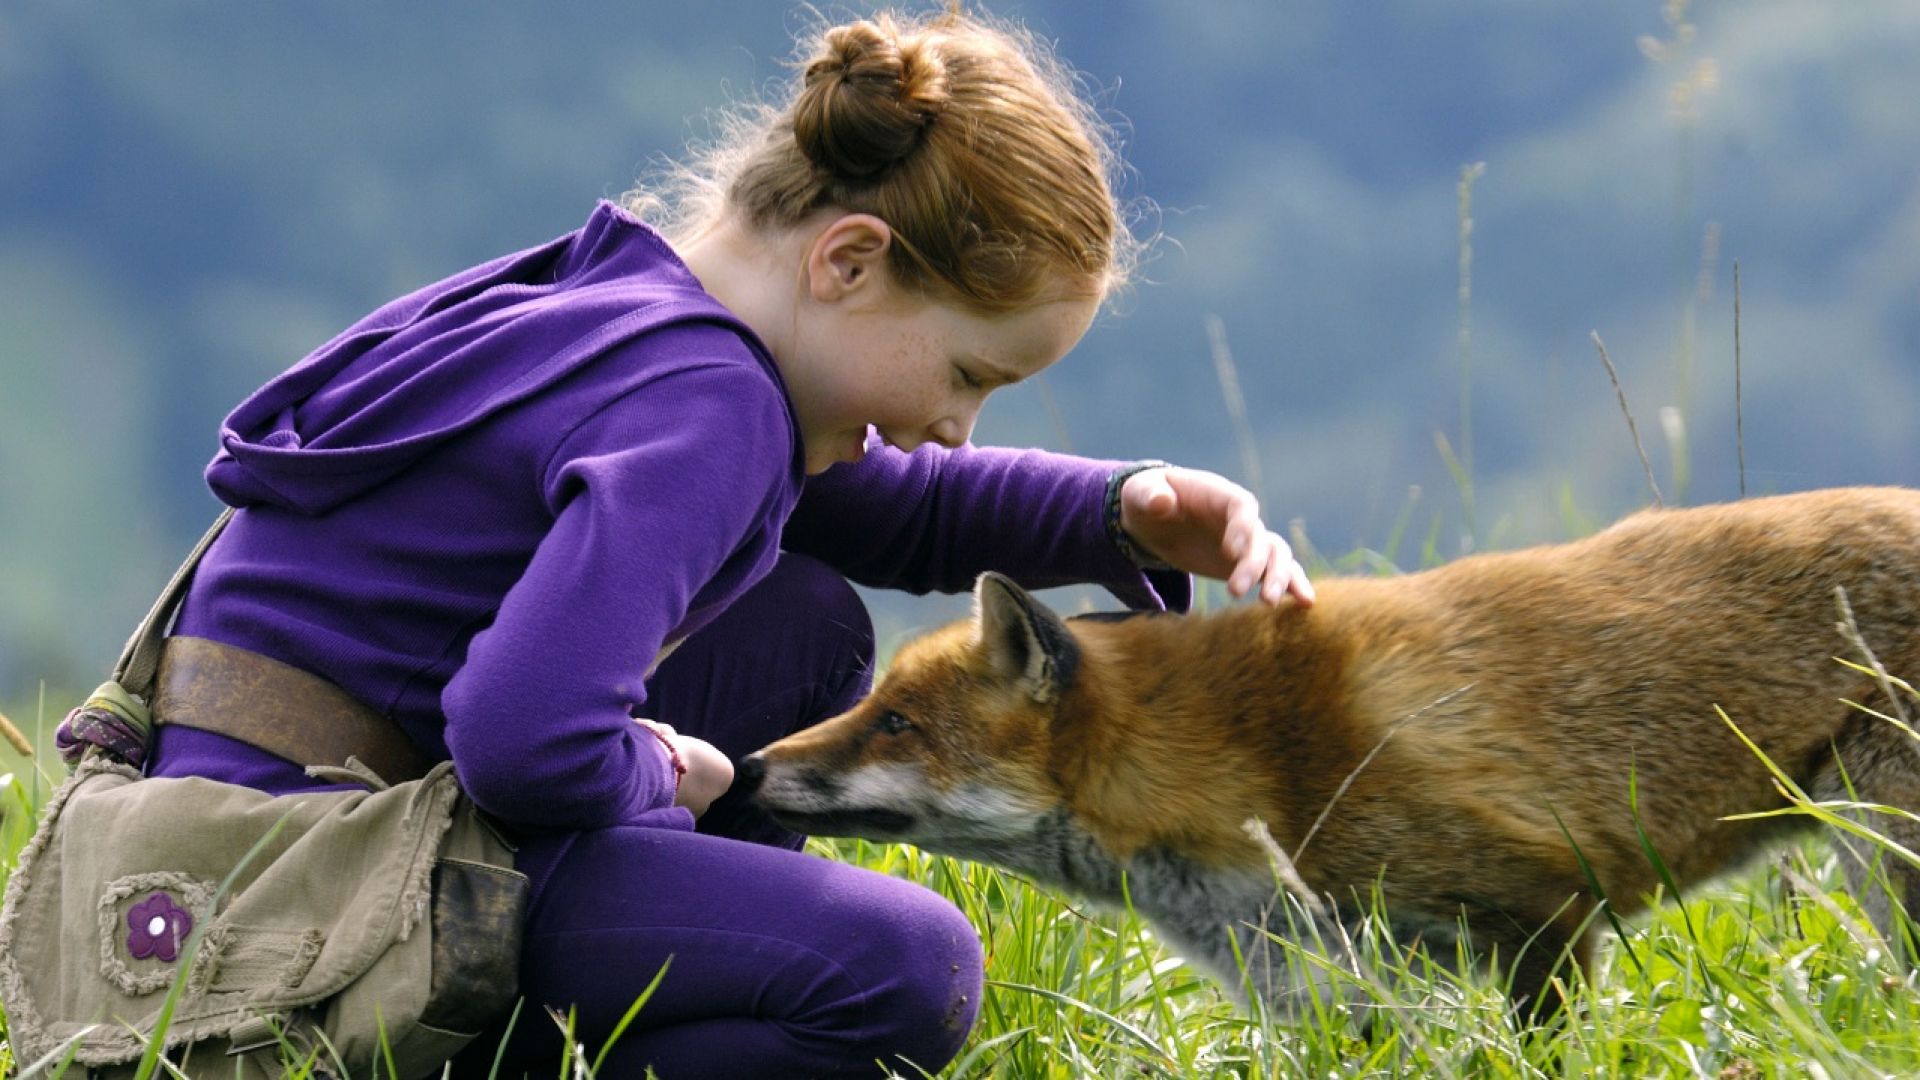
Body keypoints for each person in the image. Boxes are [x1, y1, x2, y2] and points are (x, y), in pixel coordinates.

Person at [147, 6, 1314, 1077]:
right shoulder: (711, 405)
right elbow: (519, 738)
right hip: (319, 887)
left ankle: (644, 977)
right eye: (968, 374)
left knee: (795, 624)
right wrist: (663, 778)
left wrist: (1127, 506)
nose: (958, 430)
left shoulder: (628, 310)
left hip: (226, 838)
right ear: (848, 261)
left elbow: (879, 507)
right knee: (908, 969)